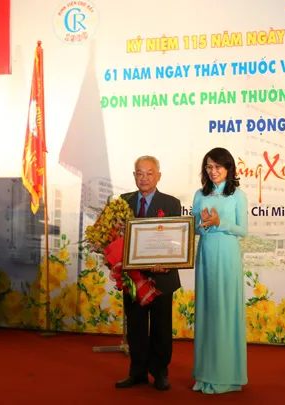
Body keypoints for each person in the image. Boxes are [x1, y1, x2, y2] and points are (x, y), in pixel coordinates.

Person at [115, 155, 182, 391]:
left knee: (161, 329)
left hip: (162, 276)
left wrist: (167, 262)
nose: (144, 178)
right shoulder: (123, 202)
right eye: (140, 173)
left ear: (158, 176)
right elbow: (115, 238)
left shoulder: (171, 203)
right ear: (134, 176)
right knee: (136, 328)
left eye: (149, 173)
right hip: (133, 278)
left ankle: (160, 373)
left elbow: (176, 239)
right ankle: (137, 372)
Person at [192, 147, 248, 394]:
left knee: (225, 311)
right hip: (206, 254)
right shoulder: (200, 194)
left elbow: (243, 230)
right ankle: (206, 374)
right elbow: (195, 227)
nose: (213, 171)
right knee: (207, 311)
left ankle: (227, 375)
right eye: (209, 166)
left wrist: (219, 223)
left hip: (227, 256)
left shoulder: (237, 194)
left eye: (217, 167)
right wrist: (203, 224)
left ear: (228, 168)